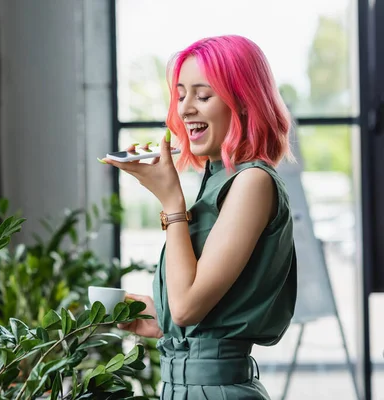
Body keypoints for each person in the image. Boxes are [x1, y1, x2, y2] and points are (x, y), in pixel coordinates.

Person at [101, 35, 297, 399]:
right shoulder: (216, 181)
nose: (185, 109)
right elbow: (195, 310)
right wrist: (138, 312)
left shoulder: (252, 182)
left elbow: (188, 307)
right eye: (180, 95)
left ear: (243, 103)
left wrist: (170, 202)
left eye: (202, 96)